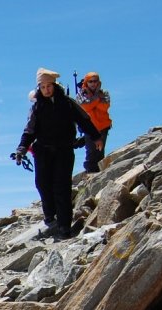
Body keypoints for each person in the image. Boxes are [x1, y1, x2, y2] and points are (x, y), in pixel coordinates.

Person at [14, 68, 102, 240]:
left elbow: (83, 120)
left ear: (54, 85)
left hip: (64, 150)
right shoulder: (37, 107)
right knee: (42, 184)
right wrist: (21, 148)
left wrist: (96, 136)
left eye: (49, 86)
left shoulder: (67, 103)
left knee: (61, 187)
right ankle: (50, 215)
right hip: (43, 151)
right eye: (43, 86)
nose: (46, 90)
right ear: (39, 88)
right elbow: (29, 131)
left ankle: (64, 226)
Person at [76, 71, 112, 173]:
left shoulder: (104, 92)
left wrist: (92, 101)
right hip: (89, 127)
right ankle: (91, 173)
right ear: (86, 82)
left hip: (103, 126)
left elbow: (105, 107)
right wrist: (97, 99)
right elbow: (85, 106)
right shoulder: (81, 94)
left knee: (100, 152)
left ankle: (100, 173)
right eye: (90, 81)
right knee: (91, 152)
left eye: (95, 81)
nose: (93, 83)